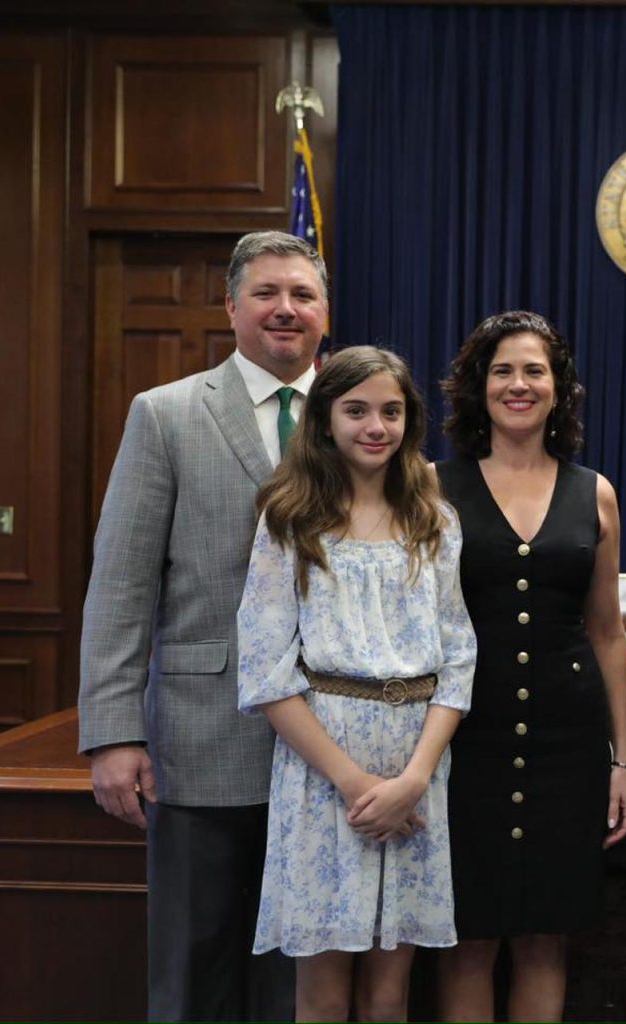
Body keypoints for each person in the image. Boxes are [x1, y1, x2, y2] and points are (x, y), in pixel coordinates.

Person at [78, 230, 326, 1020]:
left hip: (340, 742)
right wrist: (114, 732)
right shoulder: (168, 414)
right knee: (197, 960)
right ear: (231, 307)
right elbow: (121, 584)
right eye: (266, 293)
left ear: (325, 311)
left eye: (303, 295)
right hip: (203, 734)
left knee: (307, 972)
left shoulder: (367, 414)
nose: (285, 309)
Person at [236, 345, 476, 1021]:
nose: (376, 426)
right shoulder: (290, 519)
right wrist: (352, 782)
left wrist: (413, 779)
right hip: (322, 772)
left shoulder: (433, 520)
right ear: (324, 420)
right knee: (323, 992)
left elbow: (459, 656)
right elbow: (264, 669)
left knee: (388, 992)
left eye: (392, 412)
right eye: (357, 411)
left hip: (416, 762)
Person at [435, 310, 626, 1022]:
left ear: (558, 390)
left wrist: (623, 762)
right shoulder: (434, 488)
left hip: (568, 743)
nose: (518, 384)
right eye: (502, 371)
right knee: (469, 938)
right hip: (465, 739)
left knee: (547, 939)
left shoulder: (597, 492)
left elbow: (608, 634)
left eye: (534, 371)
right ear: (477, 387)